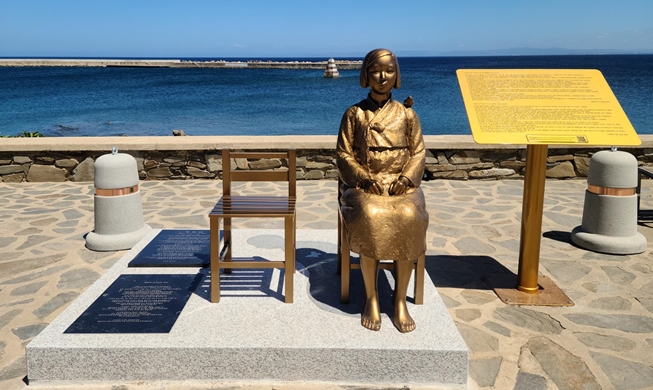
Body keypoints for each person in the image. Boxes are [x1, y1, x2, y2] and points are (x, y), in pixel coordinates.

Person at [336, 48, 429, 333]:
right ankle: (372, 298)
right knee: (371, 214)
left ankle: (399, 300)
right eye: (376, 70)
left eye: (389, 70)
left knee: (410, 214)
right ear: (366, 74)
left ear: (396, 74)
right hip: (366, 185)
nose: (382, 76)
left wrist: (408, 178)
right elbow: (343, 154)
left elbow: (419, 152)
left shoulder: (407, 114)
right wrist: (363, 178)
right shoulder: (354, 114)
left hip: (400, 185)